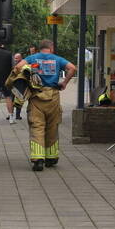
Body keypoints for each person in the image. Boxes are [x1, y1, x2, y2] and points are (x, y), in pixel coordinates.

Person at [15, 39, 76, 171]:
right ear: (51, 48)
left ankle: (38, 160)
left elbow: (18, 67)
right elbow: (72, 68)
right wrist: (64, 83)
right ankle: (51, 158)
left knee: (37, 126)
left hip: (36, 97)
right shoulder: (57, 59)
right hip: (53, 96)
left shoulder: (33, 58)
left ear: (40, 48)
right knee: (52, 126)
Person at [10, 52, 24, 122]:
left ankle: (17, 115)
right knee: (11, 99)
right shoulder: (13, 64)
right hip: (13, 84)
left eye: (17, 58)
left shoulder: (24, 64)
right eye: (15, 58)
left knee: (18, 99)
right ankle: (11, 114)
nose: (15, 59)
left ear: (21, 58)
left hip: (20, 84)